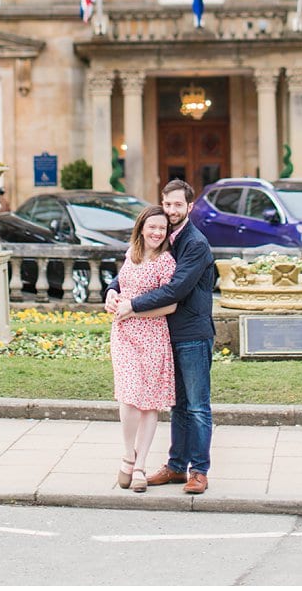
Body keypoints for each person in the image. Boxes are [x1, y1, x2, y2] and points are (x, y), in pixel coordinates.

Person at [106, 177, 217, 495]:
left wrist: (131, 305)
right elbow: (135, 266)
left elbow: (175, 289)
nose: (170, 210)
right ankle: (176, 466)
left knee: (197, 405)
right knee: (177, 405)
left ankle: (199, 470)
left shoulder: (194, 243)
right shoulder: (164, 235)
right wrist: (113, 290)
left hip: (192, 333)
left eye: (177, 205)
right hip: (163, 333)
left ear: (190, 207)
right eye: (167, 204)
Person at [110, 205, 178, 492]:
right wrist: (112, 294)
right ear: (141, 228)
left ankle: (140, 465)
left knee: (149, 402)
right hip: (123, 334)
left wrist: (133, 311)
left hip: (152, 334)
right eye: (152, 227)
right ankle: (128, 454)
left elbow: (170, 305)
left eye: (162, 228)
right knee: (129, 394)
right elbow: (121, 285)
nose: (157, 232)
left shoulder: (166, 262)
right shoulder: (131, 254)